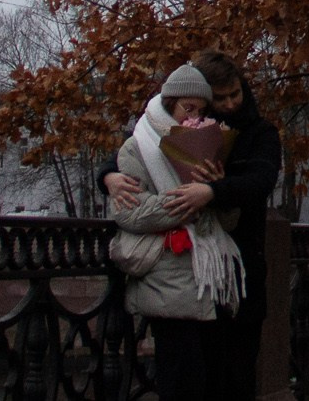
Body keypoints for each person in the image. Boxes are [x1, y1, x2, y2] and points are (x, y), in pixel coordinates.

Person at [107, 50, 281, 401]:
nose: (231, 104)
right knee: (197, 377)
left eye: (236, 93)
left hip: (237, 269)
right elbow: (132, 157)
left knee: (236, 375)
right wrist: (107, 176)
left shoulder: (260, 133)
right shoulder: (173, 132)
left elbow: (259, 182)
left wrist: (213, 190)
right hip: (189, 280)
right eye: (221, 98)